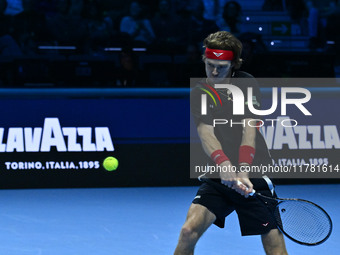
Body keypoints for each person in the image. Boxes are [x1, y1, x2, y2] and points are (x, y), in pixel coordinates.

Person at [174, 31, 288, 255]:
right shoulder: (200, 93)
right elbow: (206, 133)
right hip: (220, 173)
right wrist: (224, 166)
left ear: (234, 64)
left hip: (253, 170)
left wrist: (242, 170)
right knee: (188, 231)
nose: (215, 71)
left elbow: (249, 129)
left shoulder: (246, 83)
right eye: (210, 65)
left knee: (274, 246)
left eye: (222, 66)